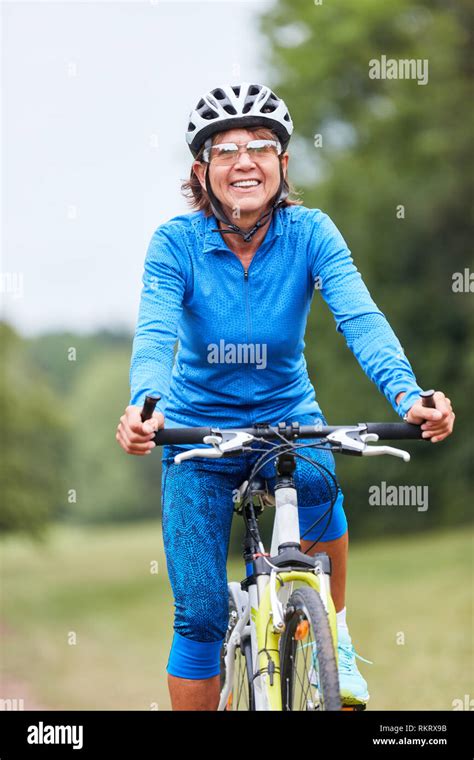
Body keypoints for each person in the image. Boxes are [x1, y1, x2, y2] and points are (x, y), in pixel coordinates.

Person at [116, 82, 455, 710]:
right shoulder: (175, 243)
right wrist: (146, 407)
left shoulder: (310, 233)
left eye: (261, 147)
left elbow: (360, 316)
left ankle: (337, 634)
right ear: (203, 170)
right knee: (198, 616)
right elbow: (156, 330)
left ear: (283, 163)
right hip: (197, 433)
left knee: (323, 481)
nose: (245, 161)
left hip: (287, 420)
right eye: (226, 150)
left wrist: (409, 394)